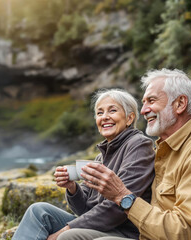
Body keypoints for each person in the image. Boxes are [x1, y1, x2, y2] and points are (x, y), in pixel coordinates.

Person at [81, 69, 191, 239]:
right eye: (144, 102)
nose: (143, 110)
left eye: (151, 100)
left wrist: (122, 196)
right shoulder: (164, 149)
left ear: (180, 104)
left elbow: (185, 233)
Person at [12, 89, 155, 240]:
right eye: (100, 113)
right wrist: (72, 188)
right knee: (38, 210)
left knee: (66, 236)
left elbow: (120, 205)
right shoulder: (101, 157)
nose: (105, 117)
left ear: (129, 118)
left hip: (123, 231)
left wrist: (65, 229)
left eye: (112, 111)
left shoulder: (138, 145)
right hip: (102, 227)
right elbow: (84, 210)